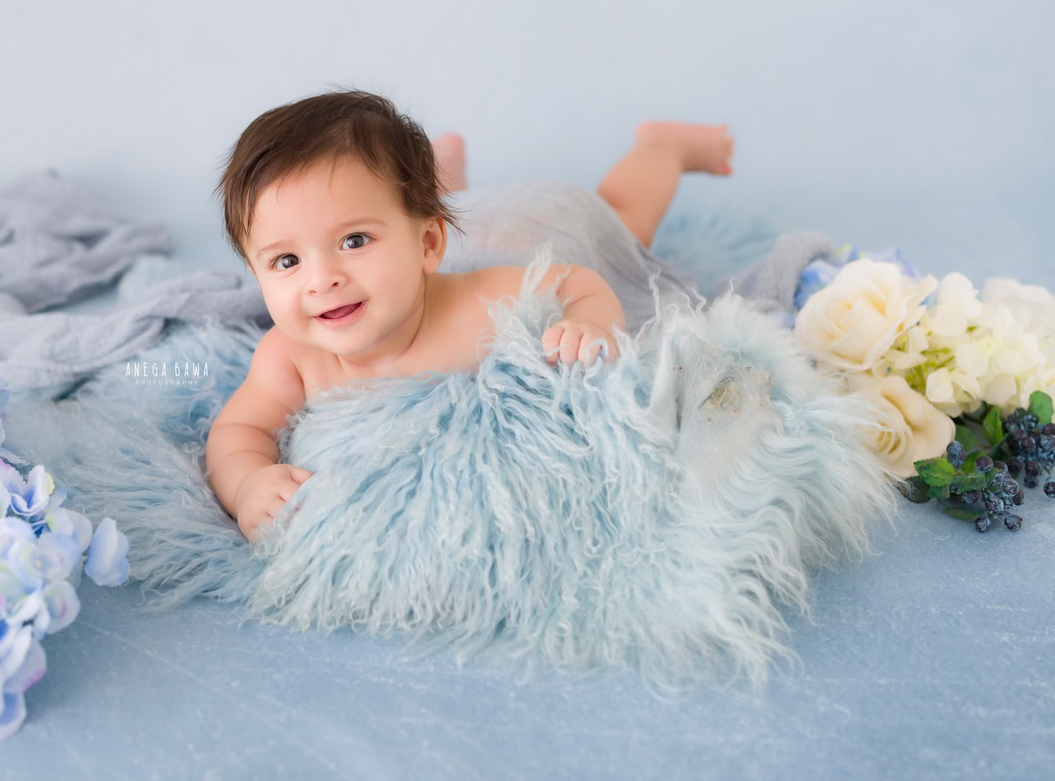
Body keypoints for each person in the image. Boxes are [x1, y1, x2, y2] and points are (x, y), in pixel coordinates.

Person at [205, 88, 734, 541]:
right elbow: (239, 430)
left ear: (429, 244)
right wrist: (249, 482)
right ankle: (445, 172)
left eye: (354, 239)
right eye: (287, 260)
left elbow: (578, 282)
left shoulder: (485, 306)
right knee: (423, 204)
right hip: (448, 226)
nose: (321, 280)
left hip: (534, 228)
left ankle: (661, 147)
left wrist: (589, 322)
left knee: (624, 218)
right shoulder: (290, 356)